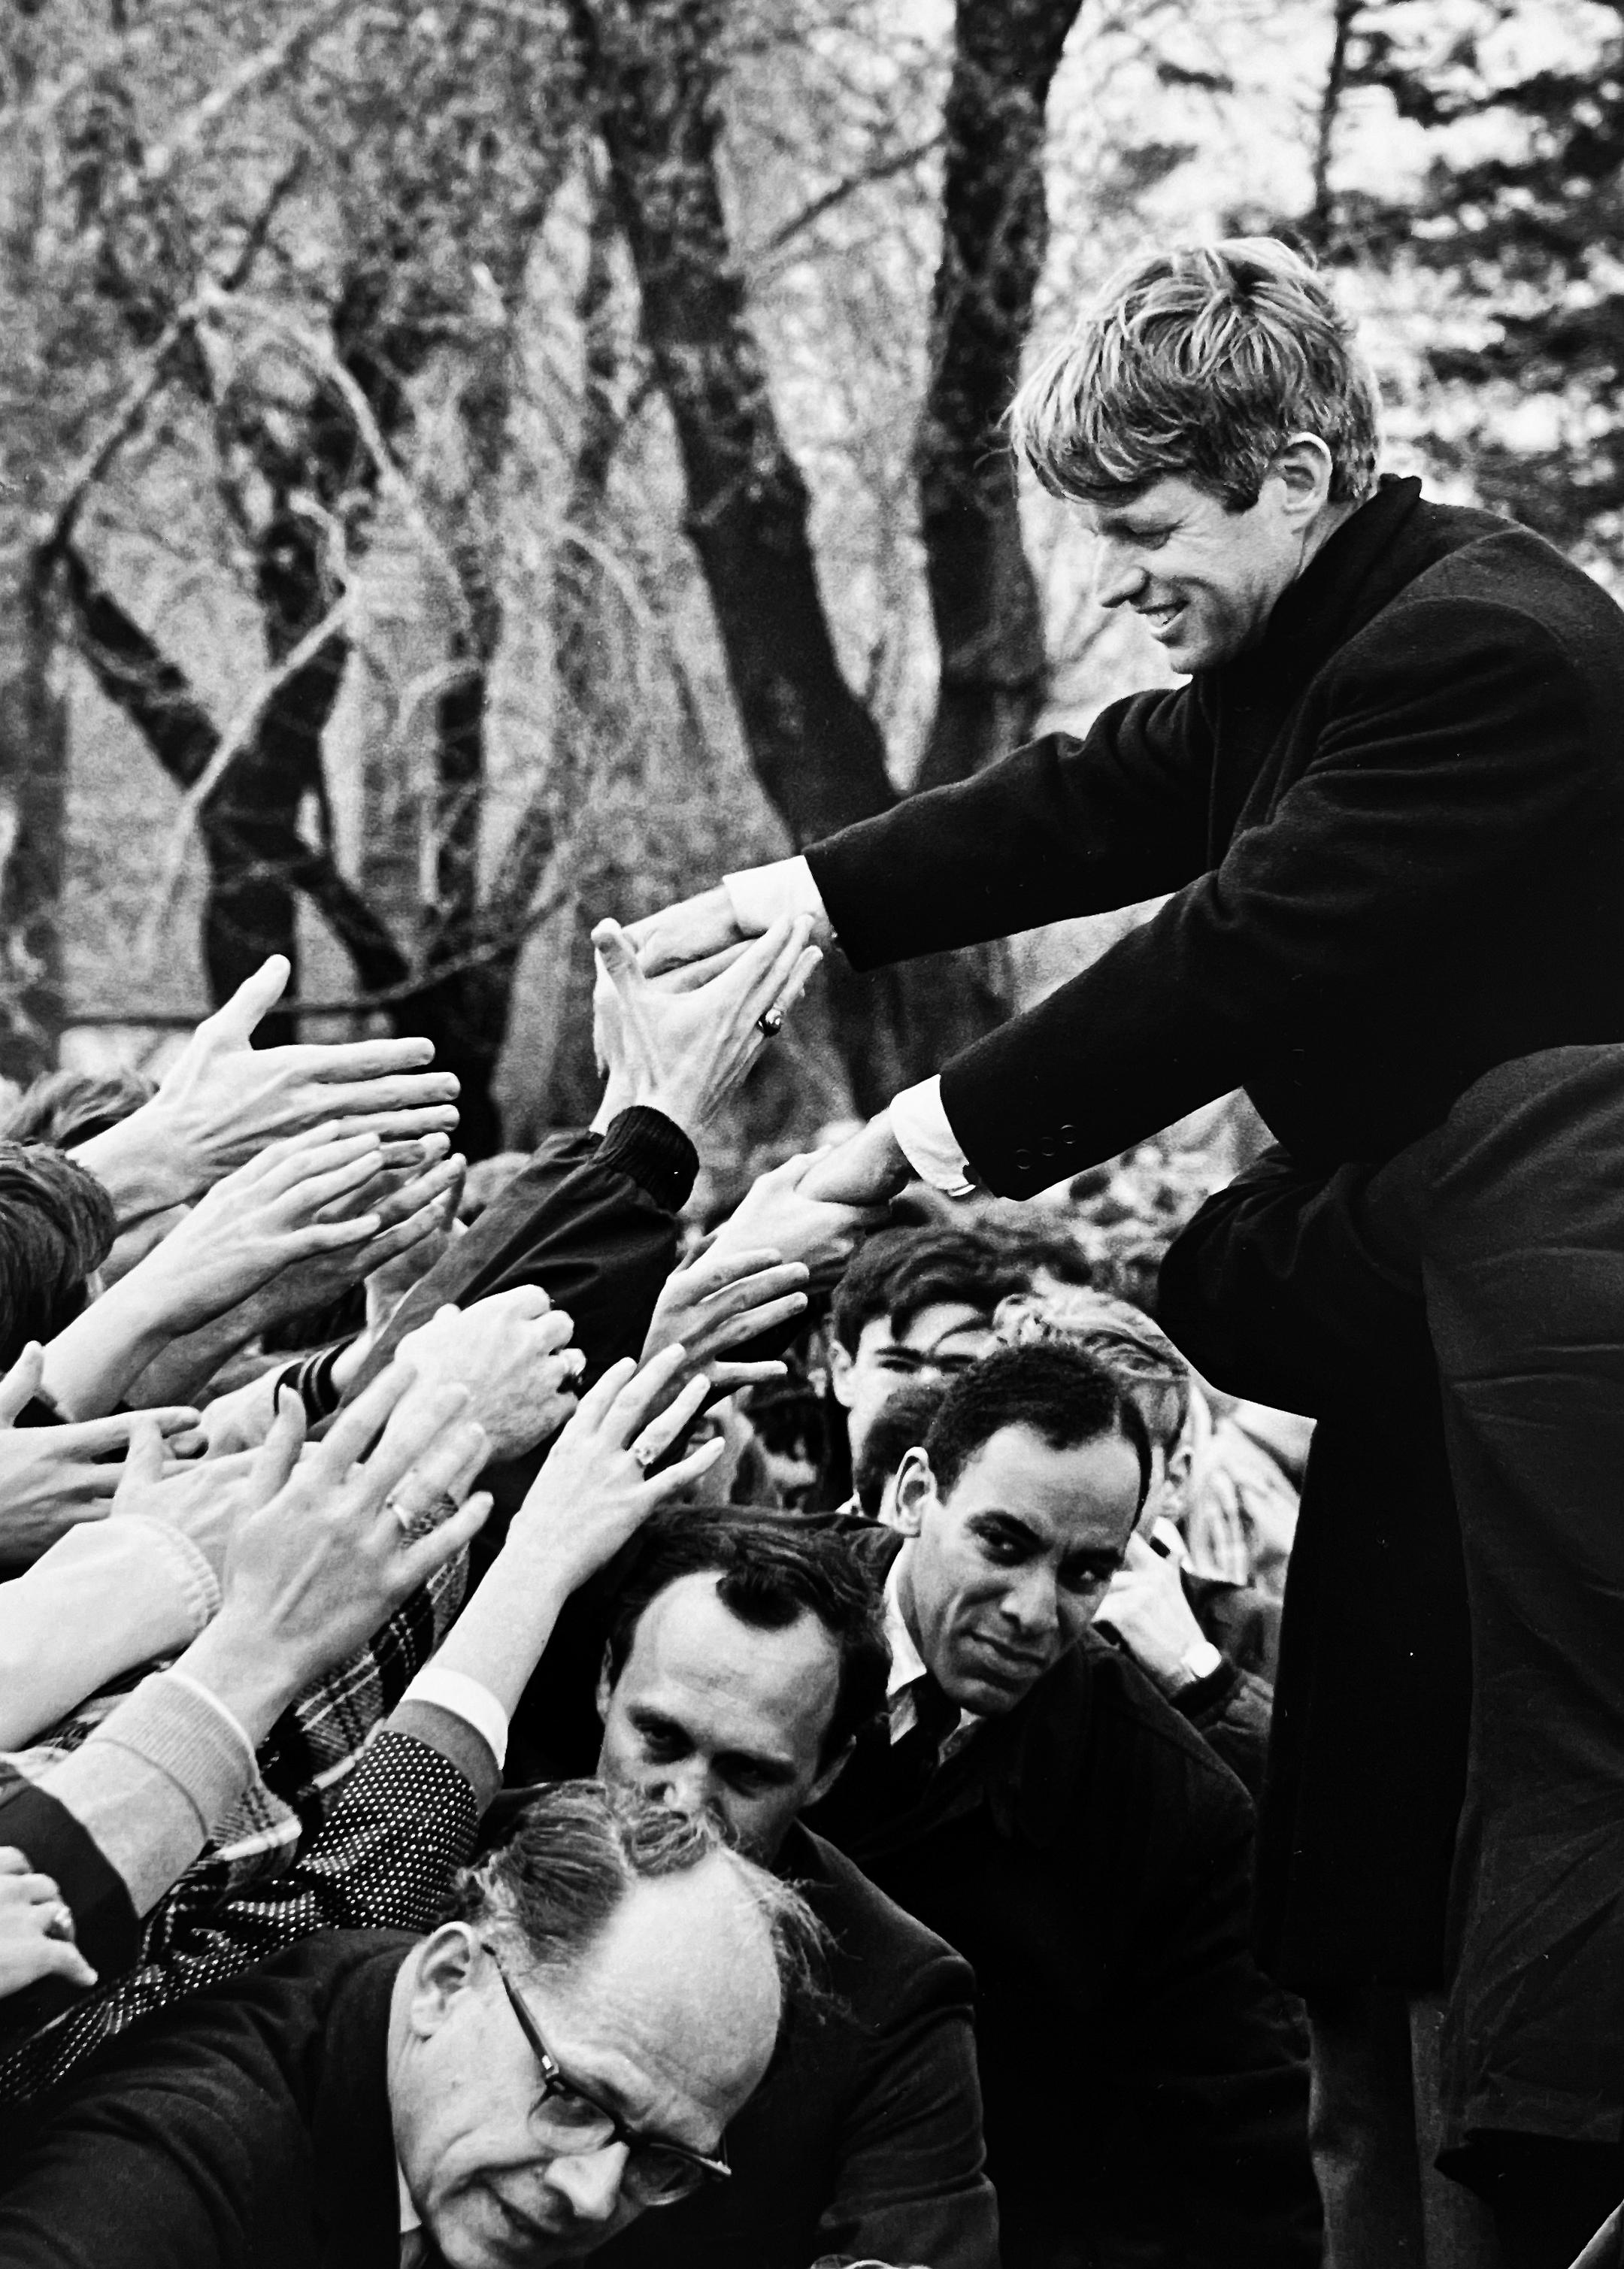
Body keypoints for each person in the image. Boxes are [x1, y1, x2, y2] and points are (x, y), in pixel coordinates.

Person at [629, 236, 1624, 2262]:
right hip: (1438, 1326)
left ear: (1301, 463)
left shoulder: (1483, 652)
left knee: (1546, 1837)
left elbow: (1230, 956)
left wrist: (886, 1158)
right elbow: (1102, 800)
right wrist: (804, 900)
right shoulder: (1322, 642)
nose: (1112, 588)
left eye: (1148, 533)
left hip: (1564, 1294)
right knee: (1376, 1881)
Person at [802, 1340, 1320, 2268]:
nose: (1034, 1611)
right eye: (1004, 1545)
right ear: (917, 1493)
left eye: (1086, 1572)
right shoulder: (744, 1612)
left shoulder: (1171, 1804)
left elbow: (1243, 2177)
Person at [0, 1780, 819, 2269]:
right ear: (446, 1978)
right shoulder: (160, 2181)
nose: (593, 2194)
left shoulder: (460, 2064)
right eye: (574, 2100)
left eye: (663, 2162)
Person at [569, 1510, 1000, 2269]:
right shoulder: (456, 1853)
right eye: (661, 1740)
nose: (685, 1802)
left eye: (748, 1773)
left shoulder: (894, 1997)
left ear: (827, 1771)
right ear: (605, 1683)